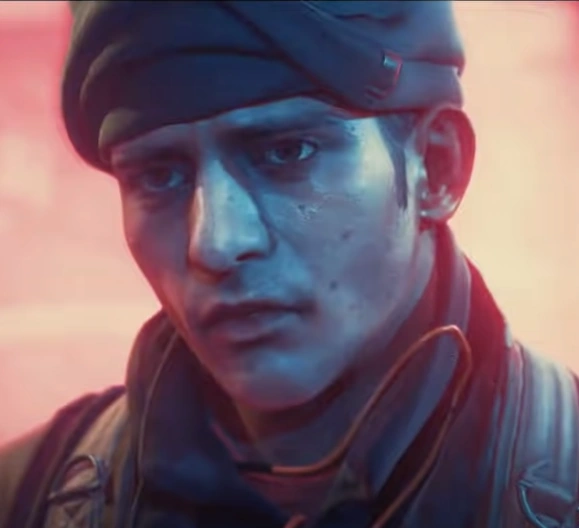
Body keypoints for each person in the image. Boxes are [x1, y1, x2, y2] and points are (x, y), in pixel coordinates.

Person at [1, 2, 578, 527]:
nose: (216, 243)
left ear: (436, 165)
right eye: (158, 176)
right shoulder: (26, 498)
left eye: (287, 152)